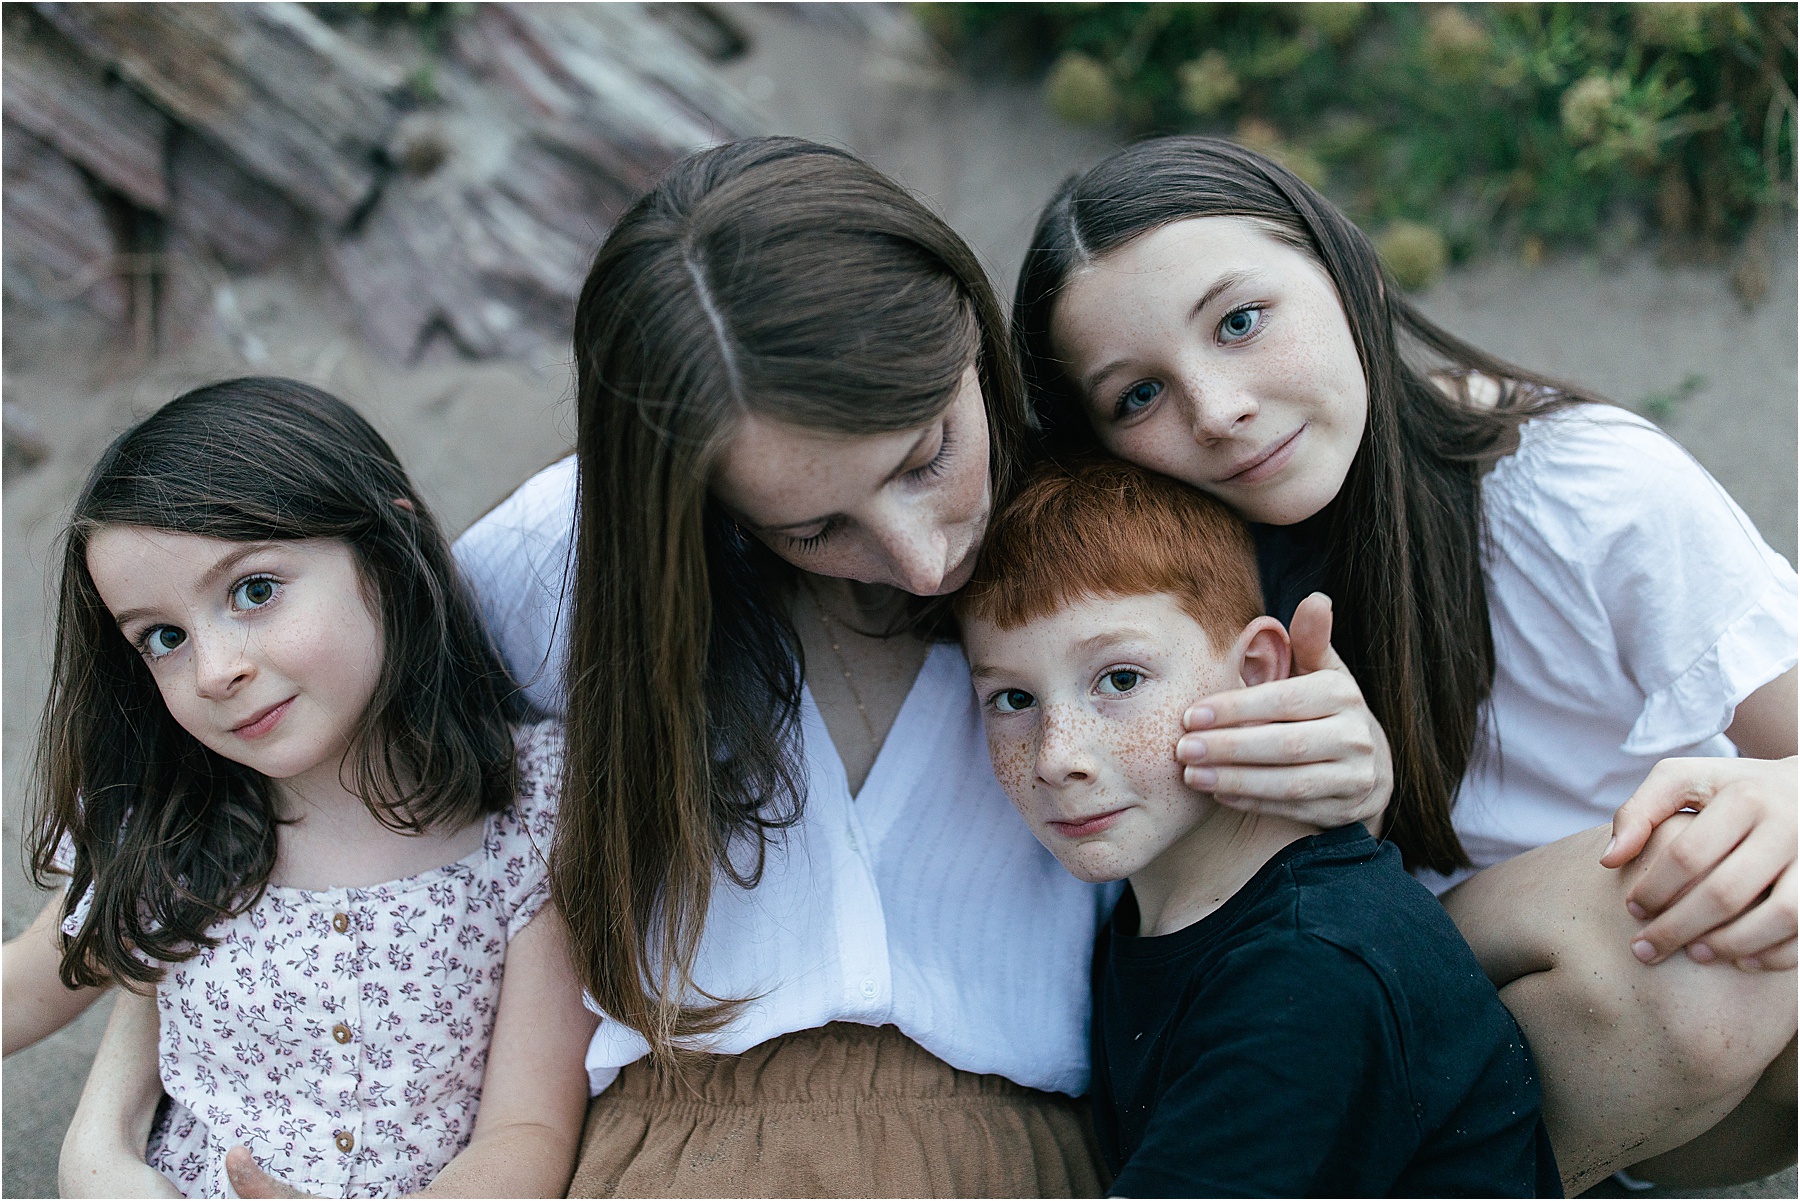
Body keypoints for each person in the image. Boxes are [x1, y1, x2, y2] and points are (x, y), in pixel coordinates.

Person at [452, 137, 1390, 1197]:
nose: (921, 557)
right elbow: (375, 822)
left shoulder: (1108, 519)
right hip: (668, 1155)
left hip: (1021, 1156)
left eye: (926, 456)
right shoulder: (563, 562)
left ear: (966, 339)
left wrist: (1347, 779)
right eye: (813, 528)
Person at [1011, 135, 1797, 1193]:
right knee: (1693, 970)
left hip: (1647, 1040)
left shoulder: (1579, 484)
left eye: (1241, 322)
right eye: (1137, 396)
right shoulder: (1163, 612)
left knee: (1739, 909)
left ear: (1350, 274)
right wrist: (1339, 821)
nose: (1217, 407)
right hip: (1383, 1037)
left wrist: (1790, 799)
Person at [4, 378, 597, 1197]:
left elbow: (528, 1128)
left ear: (388, 551)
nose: (216, 670)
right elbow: (30, 982)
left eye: (254, 589)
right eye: (164, 636)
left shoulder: (529, 815)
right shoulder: (171, 824)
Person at [956, 457, 1560, 1197]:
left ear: (1257, 671)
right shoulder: (1163, 909)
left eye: (1120, 679)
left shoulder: (1309, 971)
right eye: (1012, 698)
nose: (1057, 757)